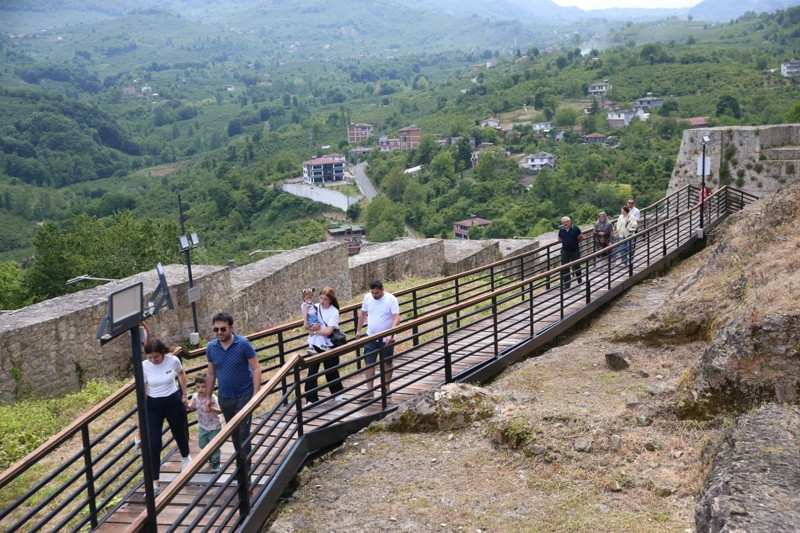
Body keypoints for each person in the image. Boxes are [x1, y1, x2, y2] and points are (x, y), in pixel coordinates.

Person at [205, 312, 261, 472]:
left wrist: (256, 393)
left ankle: (246, 471)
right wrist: (208, 397)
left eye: (223, 329)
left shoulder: (243, 344)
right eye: (216, 330)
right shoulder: (211, 347)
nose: (219, 333)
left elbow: (256, 368)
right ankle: (240, 463)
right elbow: (211, 373)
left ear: (231, 328)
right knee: (234, 433)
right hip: (225, 397)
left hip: (244, 394)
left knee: (243, 433)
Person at [142, 339, 192, 496]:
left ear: (162, 353)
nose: (153, 360)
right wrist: (141, 411)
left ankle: (185, 458)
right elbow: (143, 388)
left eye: (156, 357)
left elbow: (181, 374)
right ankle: (154, 483)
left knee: (179, 432)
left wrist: (185, 394)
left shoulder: (172, 360)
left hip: (172, 400)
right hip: (153, 405)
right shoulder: (144, 366)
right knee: (154, 443)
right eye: (150, 357)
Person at [355, 280, 401, 396]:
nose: (374, 295)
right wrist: (359, 330)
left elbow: (396, 318)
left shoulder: (391, 299)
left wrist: (391, 334)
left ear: (382, 290)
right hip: (371, 335)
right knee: (369, 362)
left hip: (386, 337)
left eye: (377, 293)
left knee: (387, 362)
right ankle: (370, 390)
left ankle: (386, 387)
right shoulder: (367, 298)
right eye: (373, 293)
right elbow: (363, 314)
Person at [303, 286, 345, 407]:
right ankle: (311, 399)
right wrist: (310, 329)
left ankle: (337, 392)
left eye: (325, 299)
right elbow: (306, 325)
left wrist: (315, 331)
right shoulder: (314, 307)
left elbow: (329, 331)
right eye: (321, 298)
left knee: (331, 369)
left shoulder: (334, 311)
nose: (322, 301)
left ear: (330, 300)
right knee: (312, 372)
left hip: (329, 344)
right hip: (315, 344)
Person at [186, 373, 222, 473]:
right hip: (203, 425)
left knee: (214, 444)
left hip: (214, 425)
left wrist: (211, 408)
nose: (201, 389)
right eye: (198, 387)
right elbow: (192, 408)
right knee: (202, 444)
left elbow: (220, 410)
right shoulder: (195, 397)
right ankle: (210, 455)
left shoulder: (212, 398)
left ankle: (216, 463)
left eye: (204, 387)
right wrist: (186, 405)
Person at [558, 216, 584, 289]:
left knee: (577, 265)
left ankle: (579, 278)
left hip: (575, 250)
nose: (565, 223)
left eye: (566, 222)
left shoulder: (575, 229)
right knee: (565, 267)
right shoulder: (561, 230)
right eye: (564, 222)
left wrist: (574, 242)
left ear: (570, 222)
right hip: (565, 251)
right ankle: (567, 284)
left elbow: (581, 237)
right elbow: (559, 239)